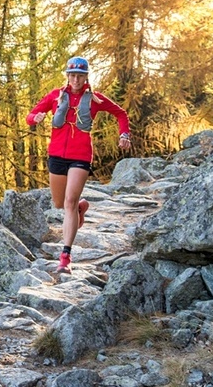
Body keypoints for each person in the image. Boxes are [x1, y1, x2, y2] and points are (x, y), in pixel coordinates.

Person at [27, 56, 131, 274]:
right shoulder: (55, 96)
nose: (75, 79)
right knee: (59, 204)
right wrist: (35, 117)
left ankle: (65, 257)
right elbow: (30, 115)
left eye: (80, 76)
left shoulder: (94, 99)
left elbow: (120, 113)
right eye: (72, 75)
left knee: (69, 202)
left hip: (80, 156)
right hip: (56, 154)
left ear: (85, 77)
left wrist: (124, 134)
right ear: (67, 75)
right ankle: (80, 207)